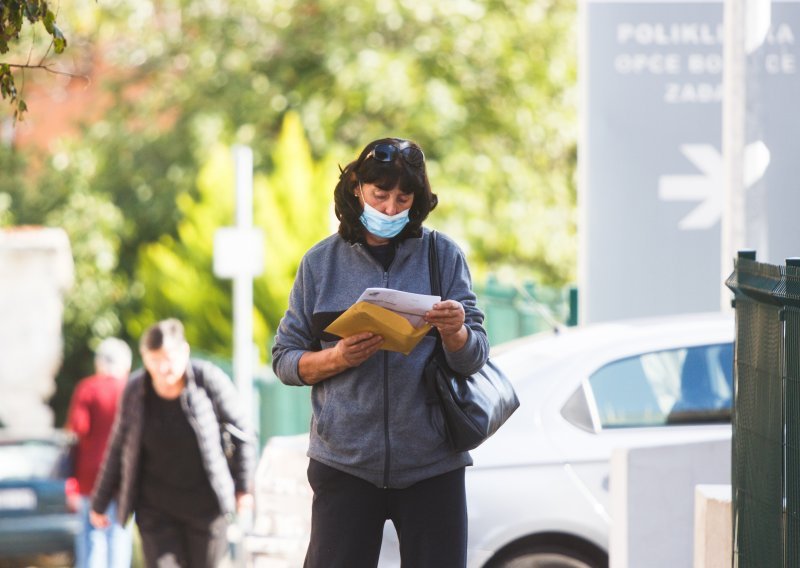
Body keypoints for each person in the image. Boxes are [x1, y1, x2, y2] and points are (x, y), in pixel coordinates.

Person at [272, 137, 490, 568]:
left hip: (432, 464)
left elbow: (476, 356)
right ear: (357, 189)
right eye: (380, 195)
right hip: (345, 463)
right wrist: (338, 358)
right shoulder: (319, 264)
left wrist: (456, 333)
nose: (391, 208)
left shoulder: (442, 255)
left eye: (403, 198)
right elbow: (284, 359)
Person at [90, 318, 256, 568]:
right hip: (155, 511)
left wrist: (243, 488)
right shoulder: (135, 391)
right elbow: (117, 447)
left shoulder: (207, 379)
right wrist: (99, 503)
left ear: (184, 352)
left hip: (207, 508)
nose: (162, 368)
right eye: (154, 360)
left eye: (168, 358)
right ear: (144, 357)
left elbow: (243, 433)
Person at [66, 337, 134, 568]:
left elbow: (77, 429)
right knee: (119, 533)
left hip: (89, 477)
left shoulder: (88, 389)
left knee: (92, 536)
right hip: (123, 476)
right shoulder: (130, 390)